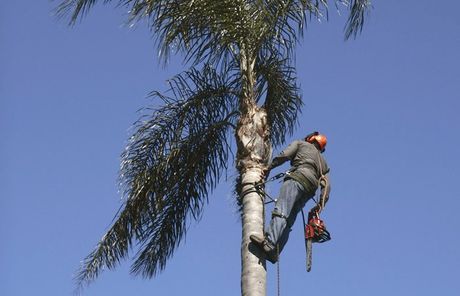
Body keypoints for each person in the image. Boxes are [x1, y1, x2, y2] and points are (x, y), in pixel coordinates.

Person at [250, 132, 331, 263]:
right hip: (309, 190)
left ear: (310, 139)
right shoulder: (323, 163)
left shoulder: (301, 143)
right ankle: (275, 252)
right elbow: (327, 187)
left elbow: (285, 155)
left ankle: (269, 242)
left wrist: (269, 167)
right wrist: (319, 205)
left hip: (297, 179)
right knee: (289, 220)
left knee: (282, 211)